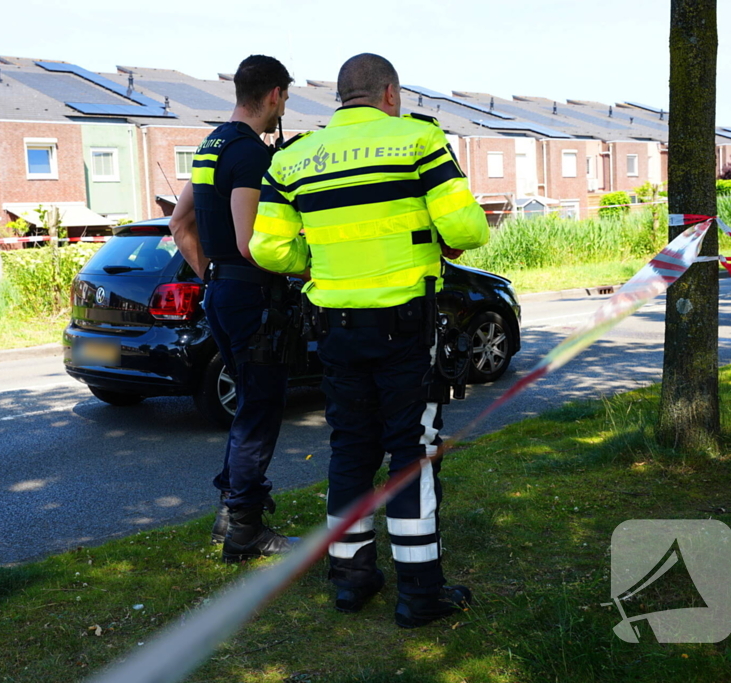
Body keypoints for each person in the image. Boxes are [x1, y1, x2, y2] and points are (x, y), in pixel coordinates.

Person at [249, 53, 490, 627]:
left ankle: (352, 581)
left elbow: (268, 249)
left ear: (341, 97)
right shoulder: (417, 141)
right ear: (388, 93)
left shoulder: (293, 159)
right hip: (404, 329)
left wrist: (321, 262)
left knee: (351, 448)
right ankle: (419, 592)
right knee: (411, 454)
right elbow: (466, 229)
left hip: (336, 330)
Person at [169, 55, 298, 563]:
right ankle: (245, 531)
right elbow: (250, 243)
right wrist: (302, 267)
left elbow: (180, 224)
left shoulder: (211, 145)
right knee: (260, 410)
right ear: (274, 95)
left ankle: (231, 513)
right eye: (285, 98)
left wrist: (212, 276)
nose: (283, 107)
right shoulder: (248, 155)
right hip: (250, 297)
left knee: (248, 405)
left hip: (220, 294)